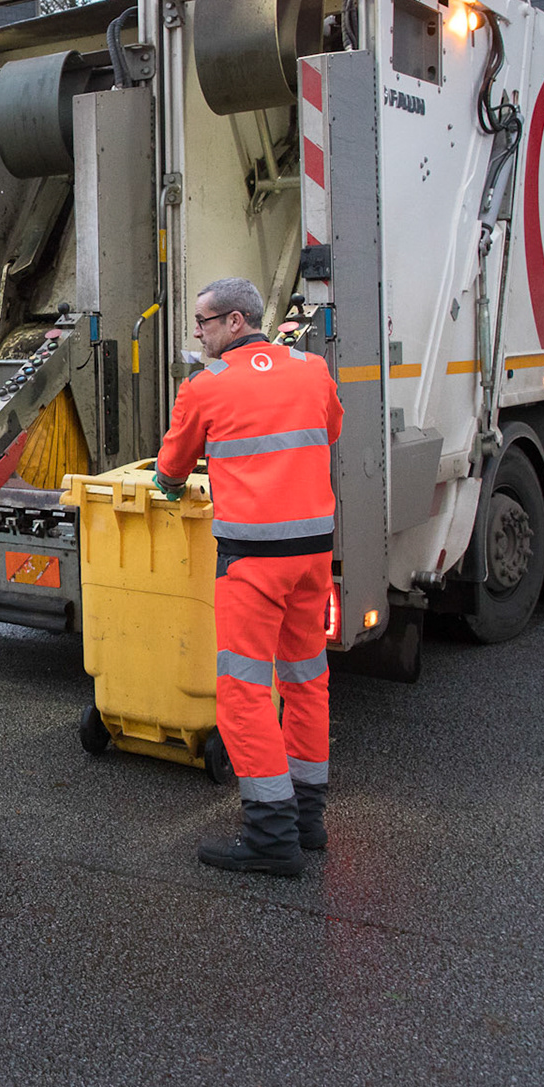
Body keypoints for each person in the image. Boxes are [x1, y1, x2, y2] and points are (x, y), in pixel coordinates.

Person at [152, 277, 343, 876]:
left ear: (236, 322)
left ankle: (270, 835)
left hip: (252, 561)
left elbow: (172, 467)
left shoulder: (205, 388)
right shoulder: (313, 369)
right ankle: (307, 818)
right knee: (307, 679)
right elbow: (328, 431)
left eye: (204, 321)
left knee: (243, 693)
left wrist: (170, 485)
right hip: (312, 556)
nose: (198, 332)